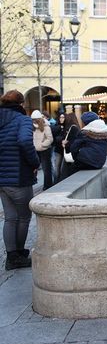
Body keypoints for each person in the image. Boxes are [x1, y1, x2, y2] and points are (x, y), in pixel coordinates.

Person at [0, 90, 40, 270]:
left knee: (10, 218)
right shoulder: (23, 120)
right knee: (24, 216)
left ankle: (13, 255)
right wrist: (34, 162)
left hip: (2, 179)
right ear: (21, 104)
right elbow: (25, 141)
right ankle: (17, 256)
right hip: (18, 176)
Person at [31, 110, 54, 190]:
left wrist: (42, 145)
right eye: (33, 120)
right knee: (33, 168)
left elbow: (50, 139)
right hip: (35, 150)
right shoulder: (32, 127)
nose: (34, 121)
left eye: (35, 120)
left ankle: (47, 185)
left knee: (46, 169)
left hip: (44, 150)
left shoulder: (46, 127)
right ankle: (32, 183)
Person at [58, 112, 81, 181]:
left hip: (70, 153)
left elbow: (73, 142)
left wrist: (65, 143)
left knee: (65, 172)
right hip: (73, 153)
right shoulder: (76, 127)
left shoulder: (72, 128)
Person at [52, 112, 66, 182]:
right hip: (58, 150)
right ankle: (55, 182)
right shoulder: (56, 126)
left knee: (63, 168)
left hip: (66, 150)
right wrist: (60, 127)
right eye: (60, 117)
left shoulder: (68, 126)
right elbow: (54, 137)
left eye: (63, 117)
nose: (61, 119)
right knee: (57, 167)